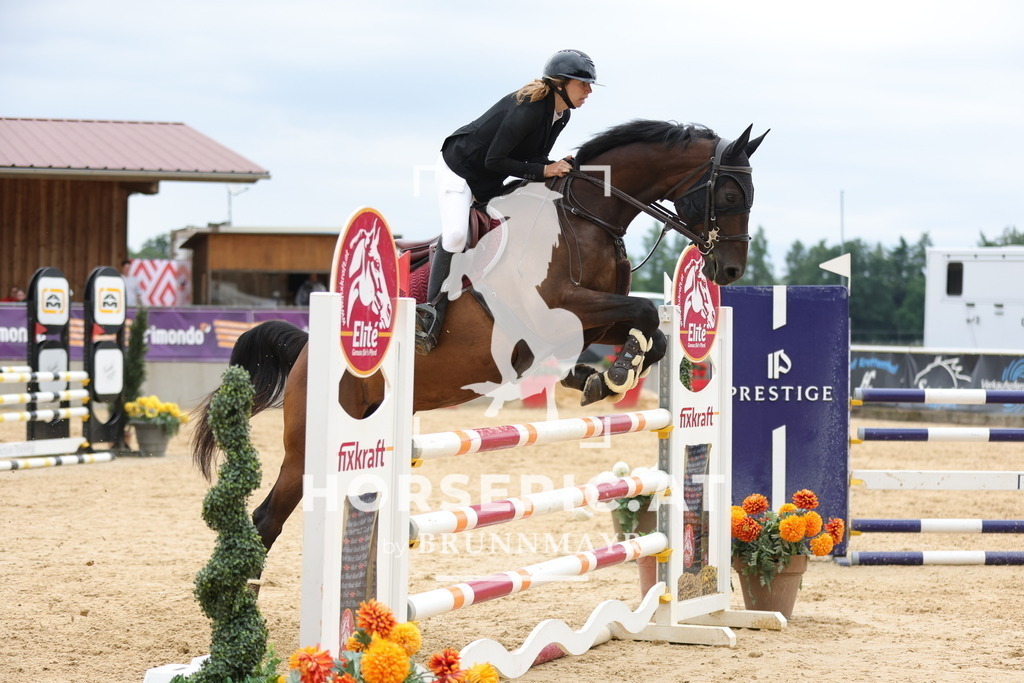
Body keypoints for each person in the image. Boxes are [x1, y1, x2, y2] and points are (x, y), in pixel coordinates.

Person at [414, 49, 599, 355]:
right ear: (560, 84)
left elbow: (534, 157)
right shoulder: (528, 110)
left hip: (488, 180)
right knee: (457, 235)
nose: (589, 91)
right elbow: (495, 159)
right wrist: (544, 170)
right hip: (459, 170)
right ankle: (428, 312)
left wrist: (554, 165)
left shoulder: (561, 115)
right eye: (583, 84)